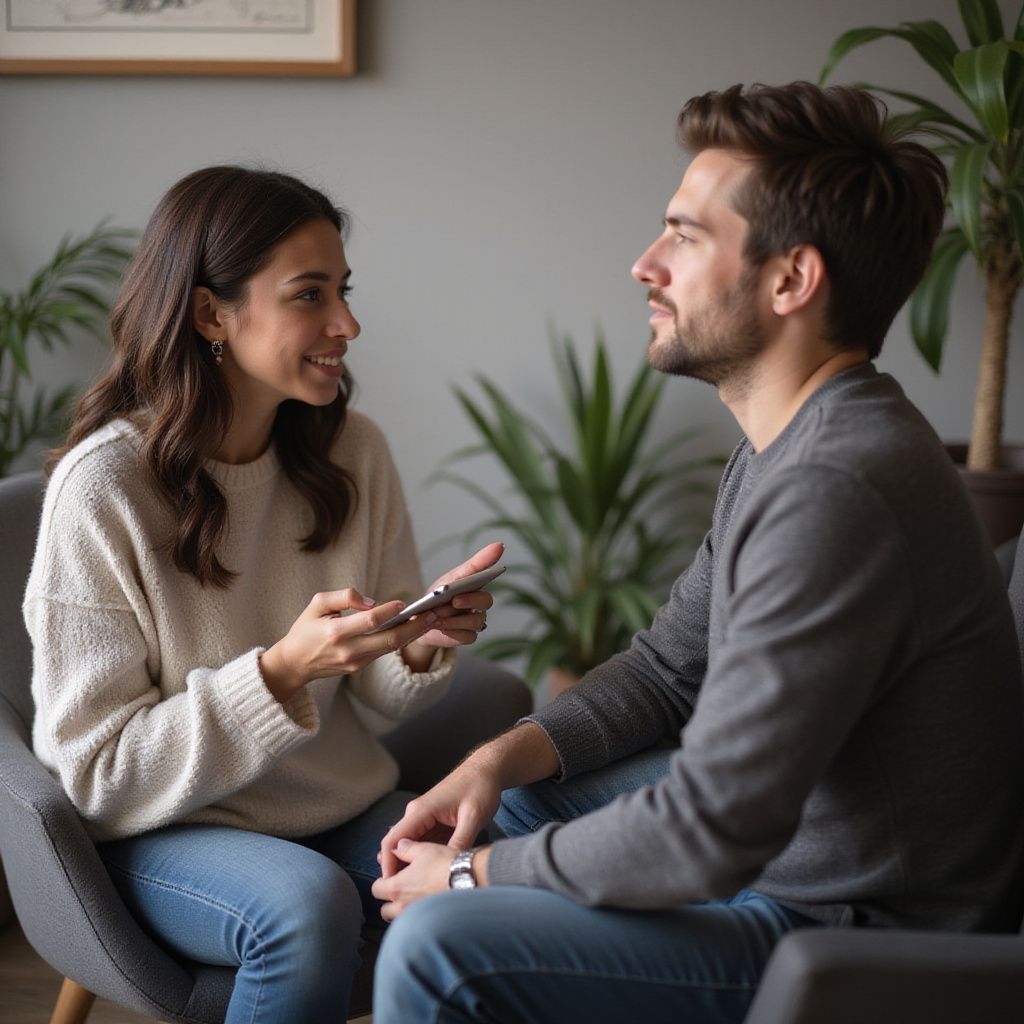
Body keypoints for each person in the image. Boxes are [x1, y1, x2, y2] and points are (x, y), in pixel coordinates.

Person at [370, 82, 1024, 1024]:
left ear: (791, 280)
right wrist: (498, 760)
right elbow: (669, 672)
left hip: (853, 929)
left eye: (684, 236)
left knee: (443, 949)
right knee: (505, 805)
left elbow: (715, 828)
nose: (645, 264)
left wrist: (469, 883)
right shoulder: (789, 446)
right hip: (798, 861)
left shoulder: (837, 488)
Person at [25, 165, 506, 1022]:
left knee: (491, 870)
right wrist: (278, 674)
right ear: (212, 313)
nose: (347, 324)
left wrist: (422, 638)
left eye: (344, 292)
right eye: (310, 296)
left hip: (338, 805)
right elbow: (94, 774)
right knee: (301, 904)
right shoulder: (105, 490)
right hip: (165, 833)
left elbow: (375, 692)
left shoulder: (352, 451)